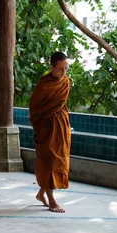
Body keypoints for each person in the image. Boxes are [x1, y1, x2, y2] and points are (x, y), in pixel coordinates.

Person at [29, 52, 71, 213]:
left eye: (66, 69)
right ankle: (52, 199)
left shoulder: (65, 82)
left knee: (59, 158)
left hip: (61, 125)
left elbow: (60, 103)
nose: (63, 73)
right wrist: (38, 122)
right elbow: (34, 107)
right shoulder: (44, 84)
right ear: (52, 67)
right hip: (46, 126)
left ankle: (42, 193)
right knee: (49, 160)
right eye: (60, 69)